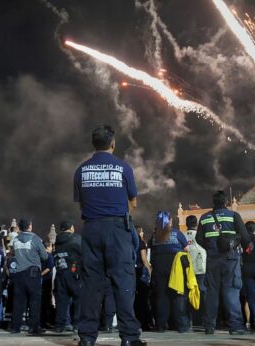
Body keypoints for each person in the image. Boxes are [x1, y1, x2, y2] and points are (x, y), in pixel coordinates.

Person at [73, 125, 144, 346]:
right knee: (122, 281)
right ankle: (129, 338)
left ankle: (86, 337)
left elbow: (81, 203)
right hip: (117, 229)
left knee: (91, 284)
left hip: (91, 228)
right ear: (113, 143)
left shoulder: (81, 170)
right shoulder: (123, 168)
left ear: (93, 144)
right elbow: (133, 201)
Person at [195, 190, 252, 335]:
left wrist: (210, 248)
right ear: (226, 202)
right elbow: (245, 238)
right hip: (230, 259)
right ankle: (235, 326)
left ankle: (209, 326)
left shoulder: (205, 217)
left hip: (212, 260)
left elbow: (198, 239)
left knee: (212, 293)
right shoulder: (233, 216)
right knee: (231, 292)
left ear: (214, 202)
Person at [149, 211, 189, 333]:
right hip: (175, 266)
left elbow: (152, 251)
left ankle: (161, 325)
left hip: (159, 266)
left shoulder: (154, 236)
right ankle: (181, 325)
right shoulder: (177, 234)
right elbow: (187, 250)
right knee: (178, 295)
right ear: (170, 221)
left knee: (161, 296)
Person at [9, 218, 48, 334]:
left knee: (18, 301)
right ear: (30, 226)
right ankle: (34, 327)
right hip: (33, 273)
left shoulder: (15, 240)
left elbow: (13, 254)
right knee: (34, 301)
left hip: (19, 273)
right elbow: (45, 256)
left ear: (19, 228)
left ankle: (15, 327)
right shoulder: (35, 239)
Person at [53, 220, 82, 333]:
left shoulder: (58, 240)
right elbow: (84, 253)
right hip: (75, 273)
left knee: (61, 301)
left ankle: (59, 325)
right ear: (71, 227)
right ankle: (77, 324)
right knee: (78, 299)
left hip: (61, 272)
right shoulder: (76, 238)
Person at [182, 216, 206, 329]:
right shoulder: (201, 235)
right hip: (200, 269)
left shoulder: (182, 235)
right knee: (202, 293)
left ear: (186, 224)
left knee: (187, 294)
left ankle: (189, 320)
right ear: (196, 224)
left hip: (187, 270)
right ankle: (202, 320)